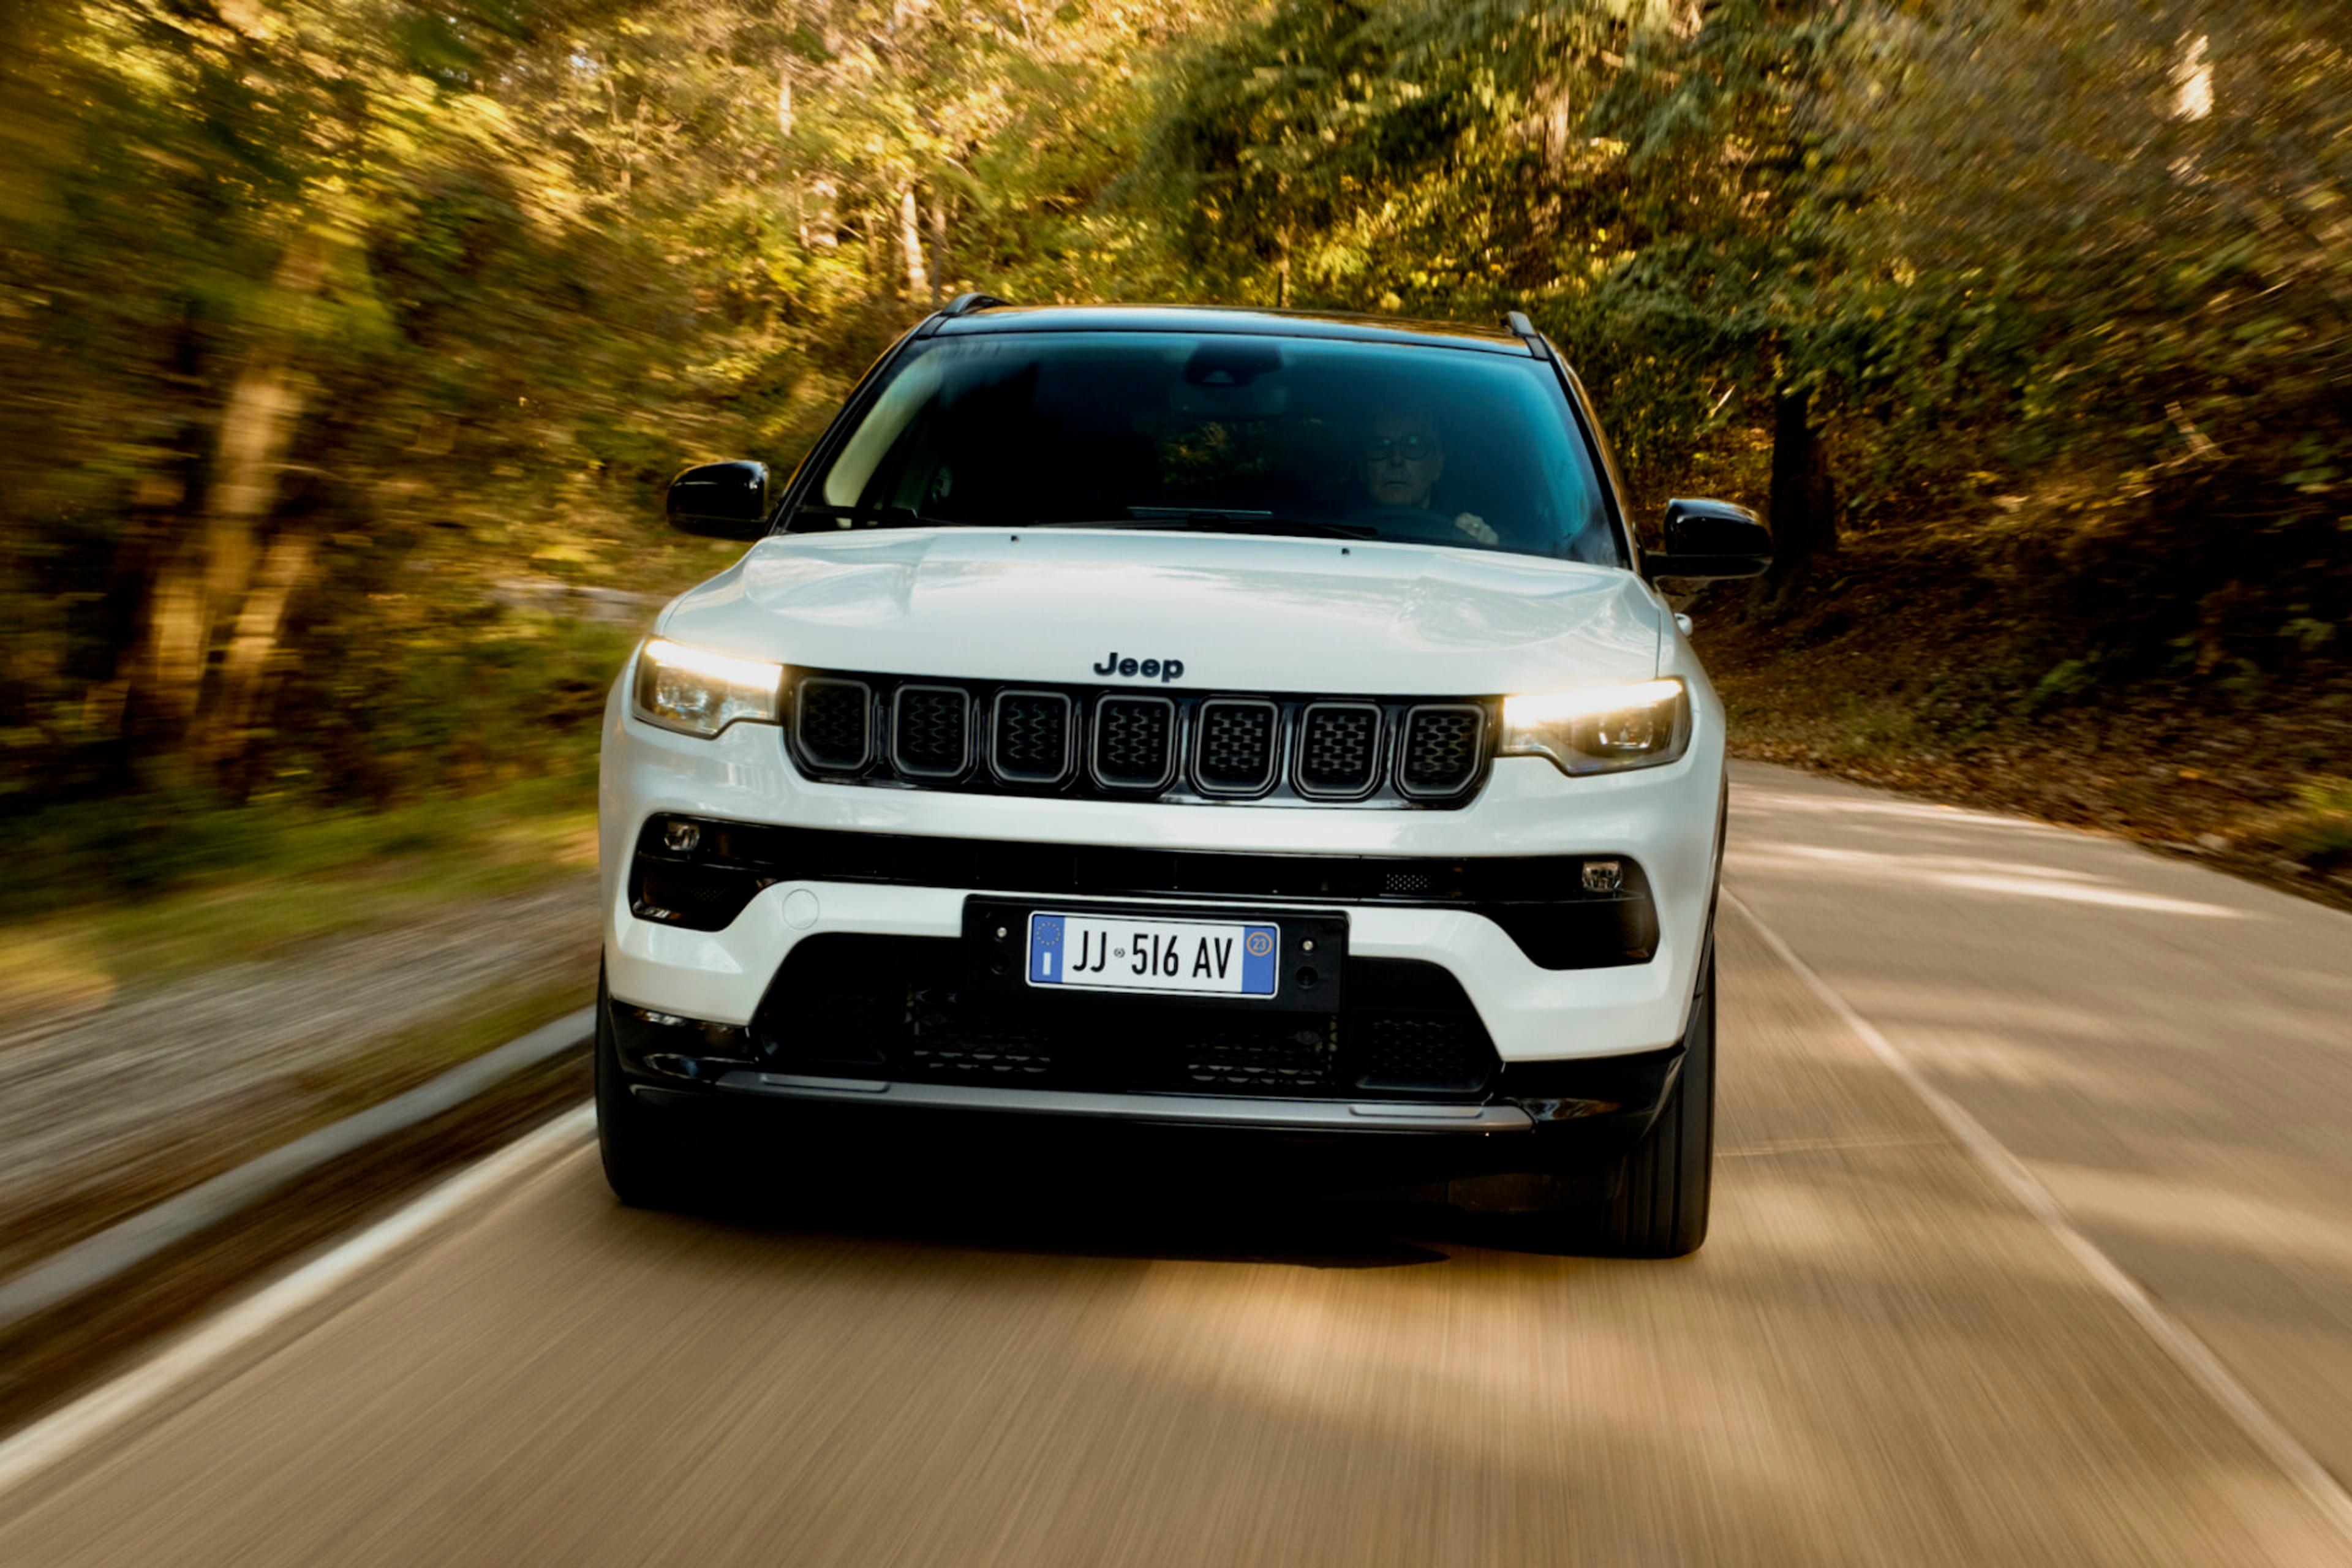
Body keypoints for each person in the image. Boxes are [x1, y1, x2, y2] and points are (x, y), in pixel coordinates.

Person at [1357, 409, 1499, 545]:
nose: (1396, 459)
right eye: (1380, 446)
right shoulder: (1336, 536)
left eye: (1413, 445)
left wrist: (1484, 548)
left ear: (1437, 465)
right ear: (1363, 467)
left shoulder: (1463, 537)